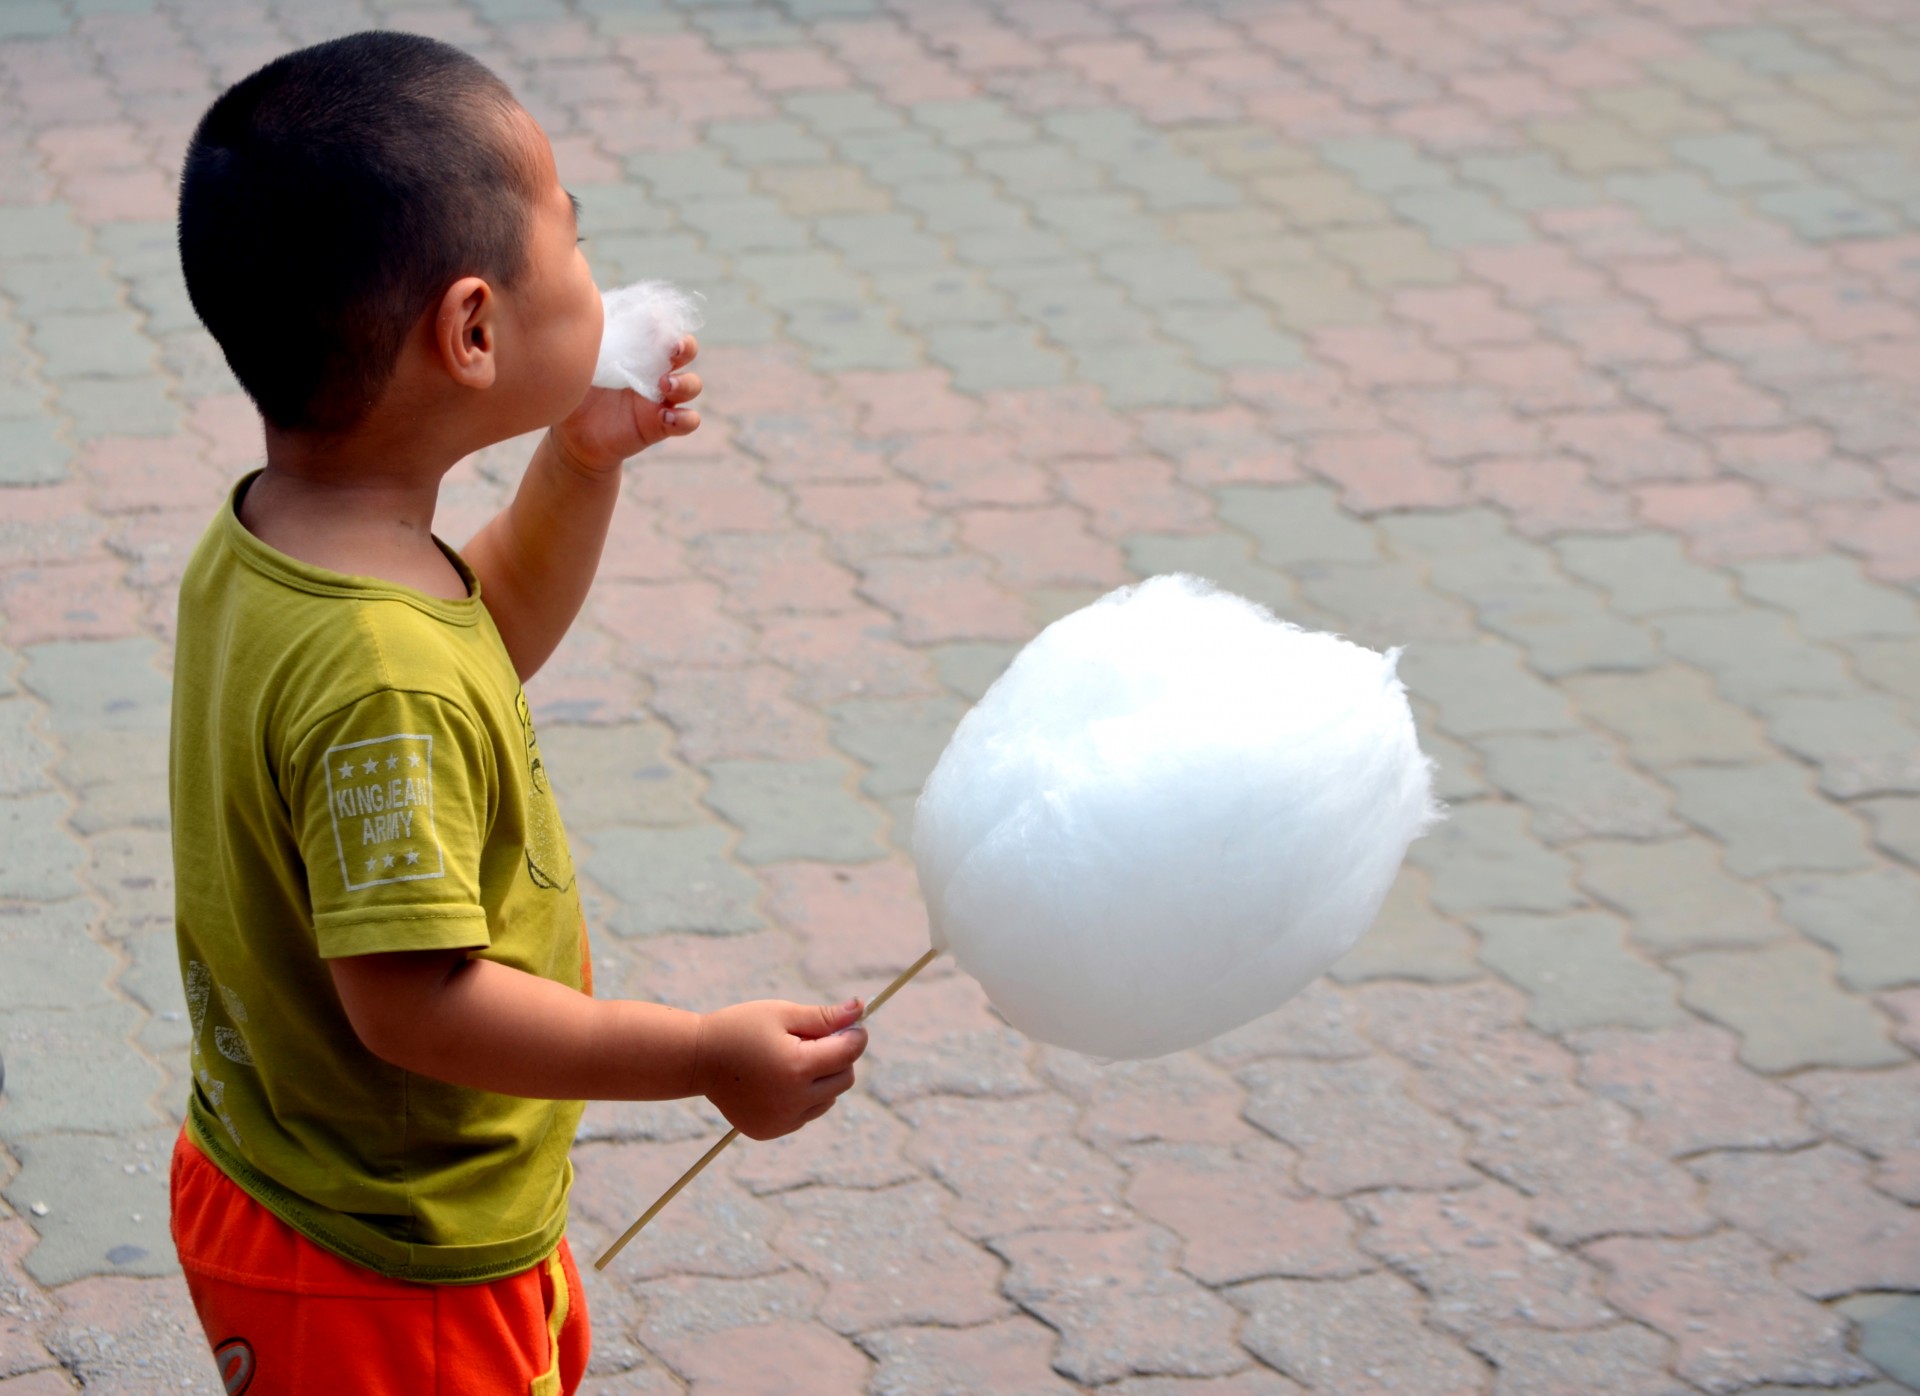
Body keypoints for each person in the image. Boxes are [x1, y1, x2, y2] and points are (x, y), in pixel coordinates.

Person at [166, 31, 868, 1394]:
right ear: (474, 329)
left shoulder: (282, 541)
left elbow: (475, 635)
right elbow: (416, 1006)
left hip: (303, 1180)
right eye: (572, 240)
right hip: (382, 1259)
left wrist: (580, 465)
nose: (596, 278)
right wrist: (702, 1057)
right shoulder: (377, 670)